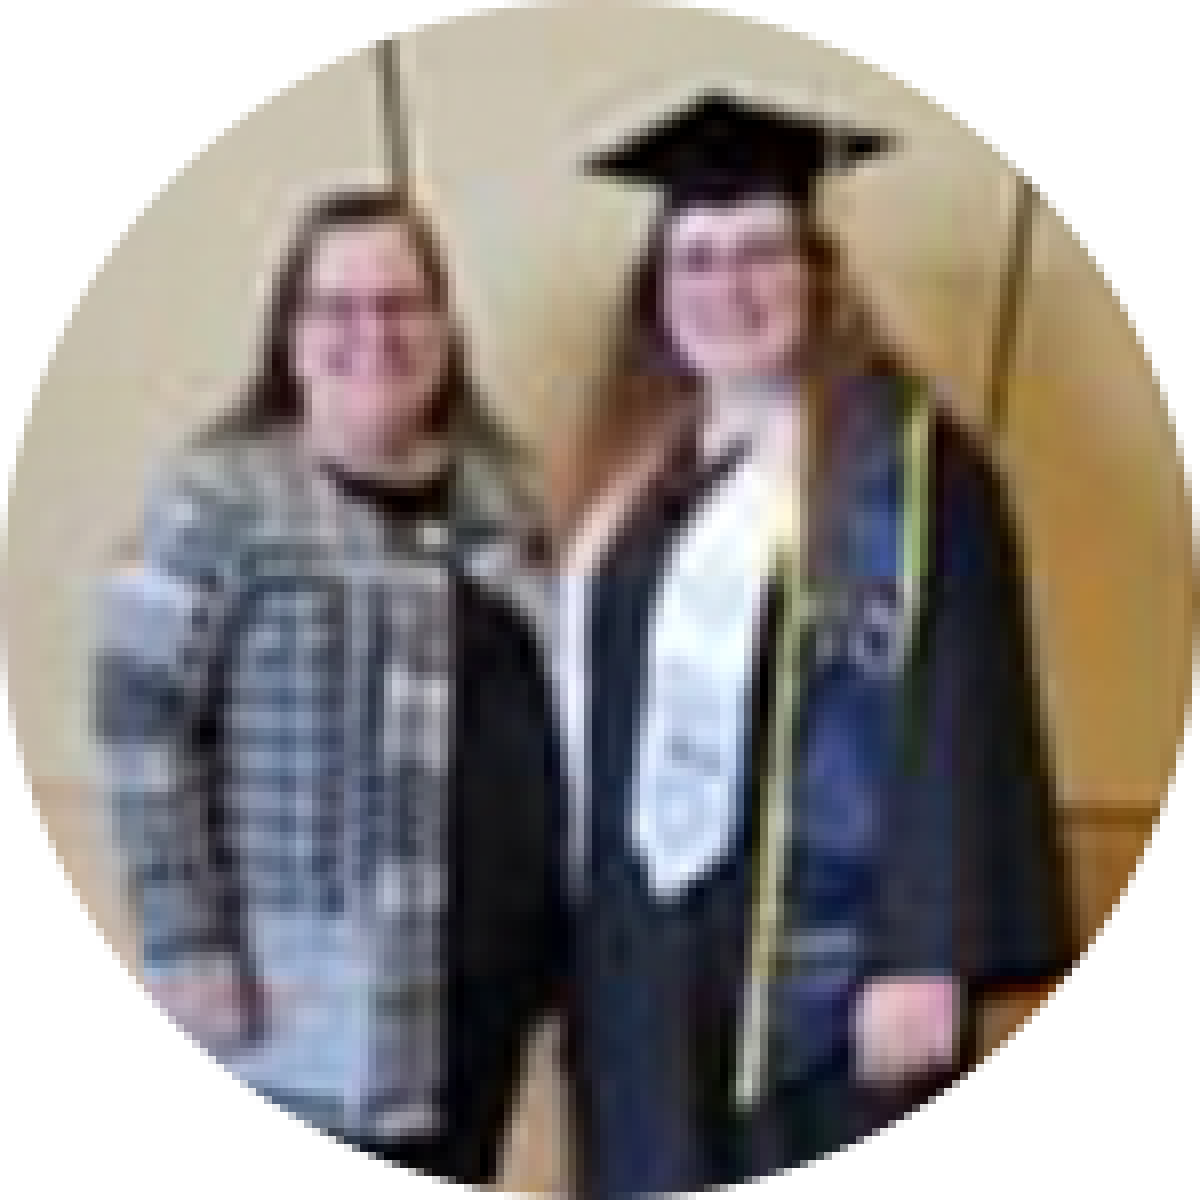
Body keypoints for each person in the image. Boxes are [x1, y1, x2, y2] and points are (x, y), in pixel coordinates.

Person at [550, 90, 1077, 1194]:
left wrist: (926, 950)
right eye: (695, 261)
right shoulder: (635, 475)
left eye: (760, 256)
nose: (726, 289)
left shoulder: (915, 475)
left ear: (820, 276)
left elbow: (961, 716)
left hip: (818, 970)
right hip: (642, 954)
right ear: (657, 294)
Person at [91, 184, 565, 1184]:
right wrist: (185, 944)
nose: (373, 333)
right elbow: (139, 719)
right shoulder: (222, 497)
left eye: (402, 304)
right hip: (302, 999)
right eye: (337, 308)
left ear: (445, 327)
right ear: (290, 334)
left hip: (485, 994)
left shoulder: (507, 496)